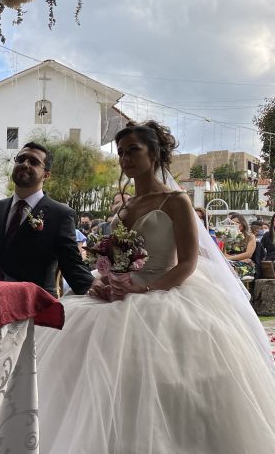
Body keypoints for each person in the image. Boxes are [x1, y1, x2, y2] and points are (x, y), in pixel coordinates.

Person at [36, 120, 275, 453]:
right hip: (119, 293)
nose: (125, 158)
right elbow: (116, 258)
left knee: (159, 380)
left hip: (167, 292)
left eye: (133, 150)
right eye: (120, 153)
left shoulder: (177, 201)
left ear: (155, 153)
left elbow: (188, 264)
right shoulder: (125, 207)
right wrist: (105, 281)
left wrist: (144, 290)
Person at [0, 142, 95, 297]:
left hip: (32, 305)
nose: (25, 164)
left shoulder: (60, 214)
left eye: (34, 162)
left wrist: (96, 287)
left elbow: (72, 266)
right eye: (20, 159)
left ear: (46, 174)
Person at [225, 214, 257, 278]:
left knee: (230, 268)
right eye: (232, 223)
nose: (235, 225)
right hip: (230, 262)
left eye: (237, 223)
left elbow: (248, 254)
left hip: (245, 264)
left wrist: (230, 259)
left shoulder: (250, 237)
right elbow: (224, 254)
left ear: (243, 224)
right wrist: (234, 260)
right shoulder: (227, 236)